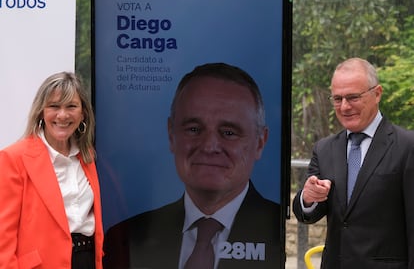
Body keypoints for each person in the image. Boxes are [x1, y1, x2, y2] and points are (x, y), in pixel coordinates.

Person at [103, 63, 284, 269]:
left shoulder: (277, 230)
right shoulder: (126, 237)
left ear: (260, 142)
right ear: (172, 134)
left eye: (229, 133)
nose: (209, 146)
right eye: (194, 129)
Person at [293, 57, 414, 268]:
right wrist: (309, 198)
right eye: (337, 99)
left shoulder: (407, 146)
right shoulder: (324, 149)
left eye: (353, 97)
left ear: (377, 94)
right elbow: (305, 214)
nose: (345, 106)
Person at [0, 72, 104, 269]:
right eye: (54, 106)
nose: (62, 115)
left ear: (83, 113)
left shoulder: (87, 156)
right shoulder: (13, 158)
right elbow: (2, 239)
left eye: (71, 106)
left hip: (87, 261)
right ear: (41, 112)